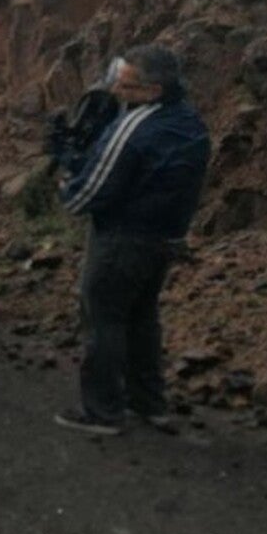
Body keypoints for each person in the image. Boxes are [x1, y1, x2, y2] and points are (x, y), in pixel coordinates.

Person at [52, 45, 211, 436]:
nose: (118, 90)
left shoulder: (137, 127)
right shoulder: (190, 122)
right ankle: (149, 403)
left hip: (123, 238)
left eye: (127, 85)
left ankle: (102, 412)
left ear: (153, 90)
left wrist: (67, 189)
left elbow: (96, 187)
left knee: (102, 317)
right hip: (164, 238)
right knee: (141, 317)